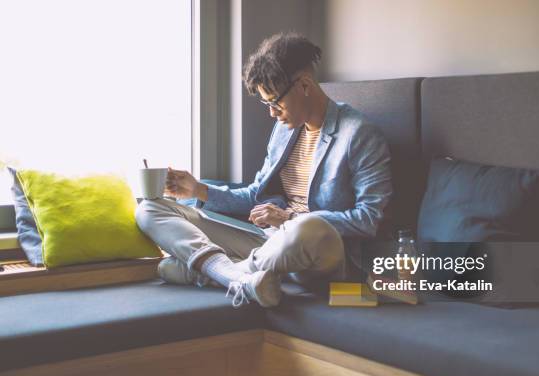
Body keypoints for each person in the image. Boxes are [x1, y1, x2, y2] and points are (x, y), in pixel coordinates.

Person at [136, 32, 392, 308]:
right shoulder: (284, 130)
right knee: (150, 209)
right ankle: (238, 276)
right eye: (266, 104)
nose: (272, 113)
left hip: (320, 251)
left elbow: (368, 219)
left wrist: (289, 218)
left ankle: (213, 271)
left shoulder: (358, 134)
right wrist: (197, 189)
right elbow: (256, 195)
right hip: (269, 240)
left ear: (304, 85)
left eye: (274, 102)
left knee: (309, 226)